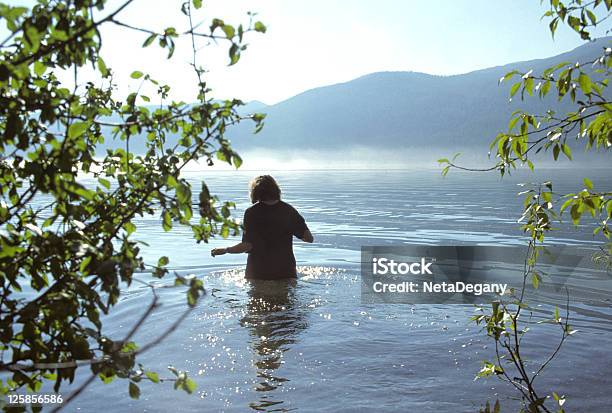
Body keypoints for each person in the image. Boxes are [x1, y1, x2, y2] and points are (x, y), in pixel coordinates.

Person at [211, 175, 314, 279]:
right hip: (285, 270)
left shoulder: (252, 212)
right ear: (276, 190)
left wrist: (225, 250)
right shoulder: (288, 210)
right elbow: (309, 238)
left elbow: (247, 245)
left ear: (255, 192)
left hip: (259, 271)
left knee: (259, 295)